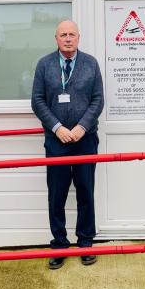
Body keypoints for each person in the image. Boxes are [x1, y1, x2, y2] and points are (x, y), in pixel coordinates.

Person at [31, 20, 104, 270]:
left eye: (72, 34)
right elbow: (38, 101)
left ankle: (85, 243)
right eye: (63, 34)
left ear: (79, 37)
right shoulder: (44, 65)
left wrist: (81, 127)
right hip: (56, 141)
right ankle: (60, 244)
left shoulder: (91, 64)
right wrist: (58, 128)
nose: (68, 38)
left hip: (86, 140)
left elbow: (98, 101)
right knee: (57, 194)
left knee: (86, 191)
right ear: (56, 38)